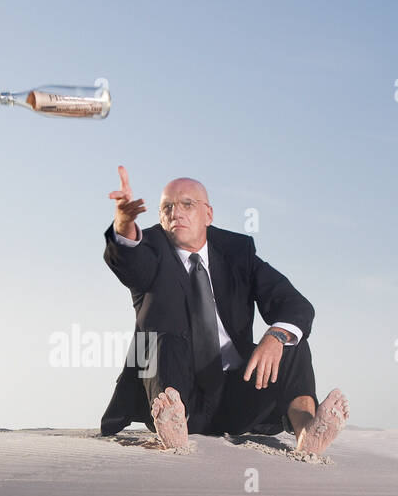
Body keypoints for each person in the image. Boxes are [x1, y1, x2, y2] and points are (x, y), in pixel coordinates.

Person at [100, 166, 349, 454]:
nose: (175, 213)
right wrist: (124, 222)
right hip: (177, 393)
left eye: (187, 205)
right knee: (158, 339)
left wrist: (276, 337)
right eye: (166, 207)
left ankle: (308, 431)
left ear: (209, 214)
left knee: (291, 341)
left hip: (237, 393)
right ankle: (172, 427)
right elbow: (130, 261)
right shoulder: (151, 249)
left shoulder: (237, 252)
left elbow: (294, 303)